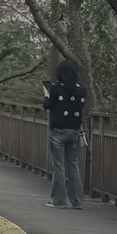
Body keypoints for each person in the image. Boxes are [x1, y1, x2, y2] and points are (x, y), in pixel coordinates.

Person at [43, 59, 87, 209]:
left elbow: (47, 106)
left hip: (58, 131)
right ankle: (77, 201)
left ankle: (60, 201)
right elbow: (79, 106)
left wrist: (46, 95)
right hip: (74, 131)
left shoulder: (55, 89)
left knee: (59, 166)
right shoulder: (82, 90)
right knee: (73, 166)